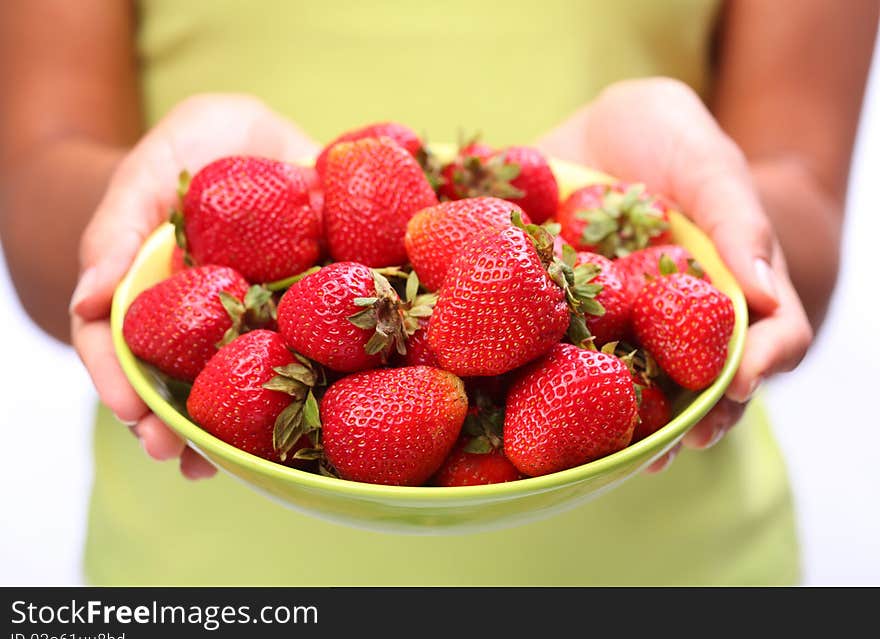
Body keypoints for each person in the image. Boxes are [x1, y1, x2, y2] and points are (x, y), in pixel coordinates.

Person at [0, 0, 875, 585]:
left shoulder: (520, 293)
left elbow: (800, 202)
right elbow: (35, 189)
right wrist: (168, 210)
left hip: (677, 576)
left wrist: (724, 236)